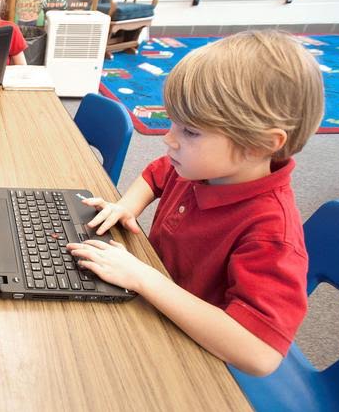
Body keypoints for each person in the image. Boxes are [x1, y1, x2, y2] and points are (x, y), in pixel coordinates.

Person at [67, 30, 324, 376]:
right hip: (156, 305)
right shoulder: (203, 167)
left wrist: (147, 280)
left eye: (190, 132)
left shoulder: (272, 233)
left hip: (198, 352)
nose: (168, 139)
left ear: (260, 145)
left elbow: (260, 354)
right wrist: (127, 206)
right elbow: (156, 174)